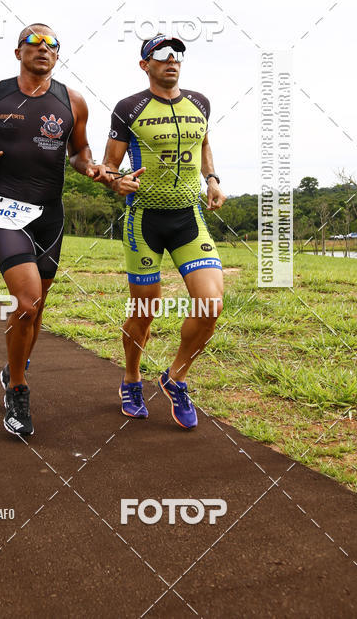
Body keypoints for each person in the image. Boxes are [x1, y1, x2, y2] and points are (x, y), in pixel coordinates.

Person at [0, 25, 99, 437]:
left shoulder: (72, 101)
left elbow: (79, 151)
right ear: (18, 50)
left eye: (52, 43)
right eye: (35, 41)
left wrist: (92, 168)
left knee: (37, 308)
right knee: (26, 301)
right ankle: (18, 389)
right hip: (7, 210)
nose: (44, 48)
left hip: (50, 216)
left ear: (58, 55)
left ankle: (13, 367)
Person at [98, 35, 226, 428]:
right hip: (143, 221)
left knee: (211, 305)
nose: (172, 60)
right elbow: (107, 165)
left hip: (188, 218)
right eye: (161, 54)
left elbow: (204, 143)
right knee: (146, 310)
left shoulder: (200, 102)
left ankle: (176, 378)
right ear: (145, 64)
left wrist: (213, 178)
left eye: (178, 54)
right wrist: (116, 181)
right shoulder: (128, 108)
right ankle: (132, 378)